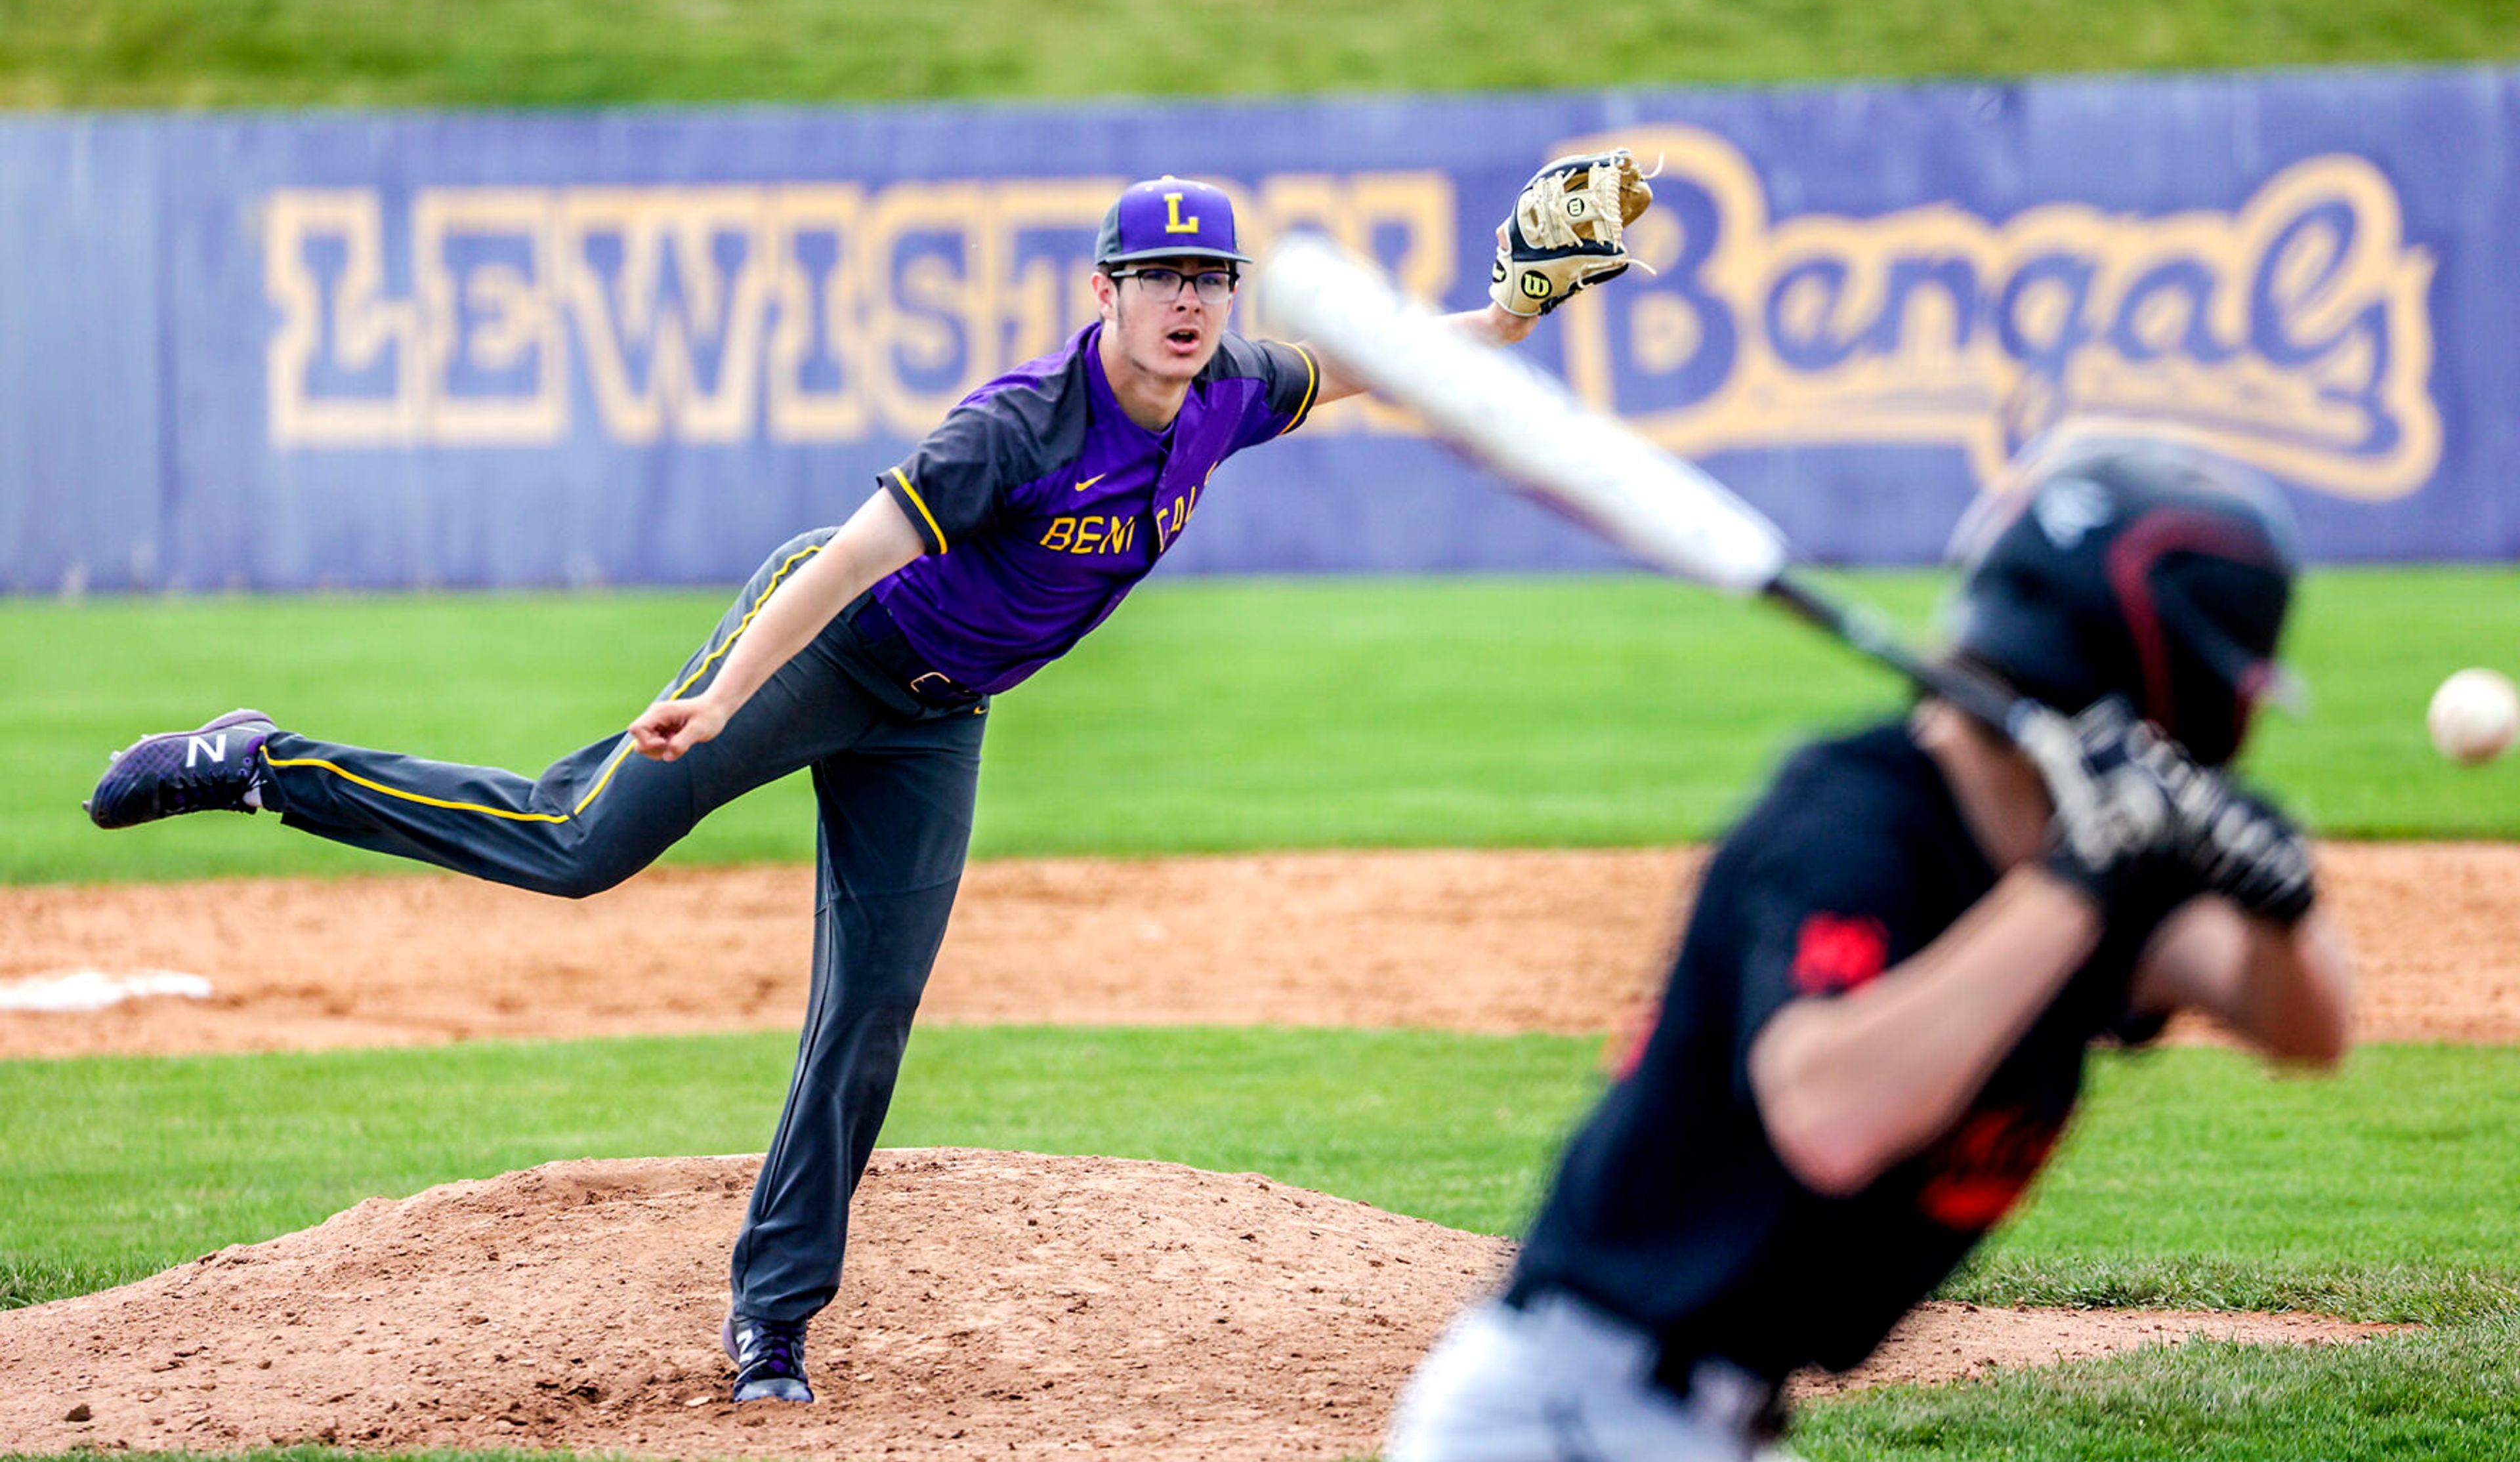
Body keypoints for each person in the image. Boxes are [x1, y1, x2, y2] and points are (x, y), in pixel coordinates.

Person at [83, 156, 1654, 1406]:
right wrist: (722, 701)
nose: (1185, 301)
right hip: (823, 650)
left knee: (871, 1011)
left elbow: (1388, 369)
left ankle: (771, 1322)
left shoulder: (1232, 390)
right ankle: (262, 762)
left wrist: (1510, 312)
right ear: (1103, 291)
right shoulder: (1018, 427)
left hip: (939, 716)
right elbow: (849, 551)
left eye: (1206, 276)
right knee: (579, 845)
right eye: (1156, 276)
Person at [1384, 435, 2355, 1462]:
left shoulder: (2104, 839)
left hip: (1707, 1420)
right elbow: (1831, 1116)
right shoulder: (1849, 821)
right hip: (1573, 1414)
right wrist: (2082, 881)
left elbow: (2309, 1027)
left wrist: (2280, 895)